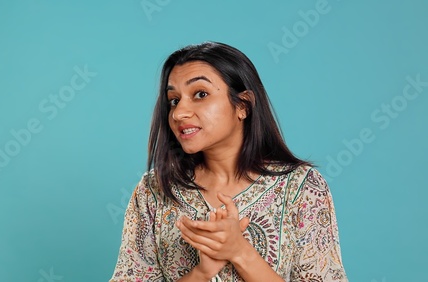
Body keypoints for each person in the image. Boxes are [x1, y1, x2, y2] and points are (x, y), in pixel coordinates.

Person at [110, 42, 347, 281]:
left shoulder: (301, 188)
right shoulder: (155, 191)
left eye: (200, 94)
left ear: (242, 105)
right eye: (174, 100)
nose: (179, 112)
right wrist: (203, 272)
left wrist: (240, 252)